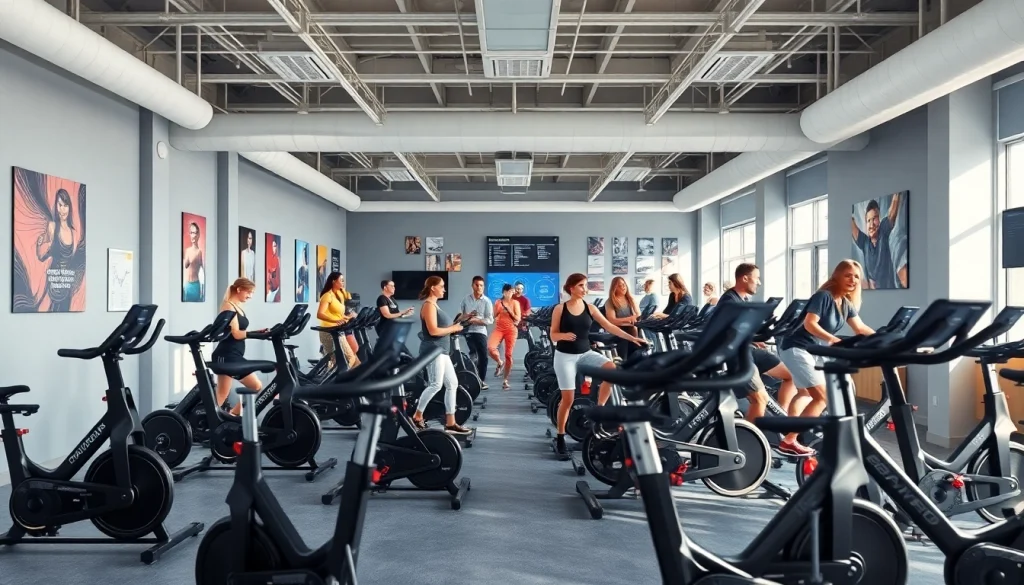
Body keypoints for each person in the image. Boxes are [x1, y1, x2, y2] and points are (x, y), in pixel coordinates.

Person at [777, 259, 875, 455]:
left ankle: (791, 432)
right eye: (848, 275)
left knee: (805, 394)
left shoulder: (845, 303)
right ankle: (789, 440)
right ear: (836, 276)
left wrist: (885, 340)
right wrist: (832, 339)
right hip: (797, 348)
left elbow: (860, 328)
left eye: (857, 276)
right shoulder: (823, 296)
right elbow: (810, 324)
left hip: (812, 350)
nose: (853, 280)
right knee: (822, 397)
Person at [550, 273, 647, 456]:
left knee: (611, 368)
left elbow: (610, 326)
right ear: (571, 288)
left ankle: (599, 409)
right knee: (568, 399)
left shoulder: (590, 307)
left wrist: (633, 338)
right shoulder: (560, 309)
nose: (585, 289)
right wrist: (563, 336)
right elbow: (553, 335)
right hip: (565, 356)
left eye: (586, 285)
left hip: (585, 353)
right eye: (581, 285)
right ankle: (561, 436)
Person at [716, 263, 799, 428]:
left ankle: (780, 416)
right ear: (745, 278)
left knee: (791, 376)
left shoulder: (743, 299)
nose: (759, 283)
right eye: (757, 278)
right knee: (760, 399)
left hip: (748, 350)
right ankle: (748, 440)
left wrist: (753, 338)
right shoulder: (729, 301)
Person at [414, 276, 472, 435]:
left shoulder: (435, 306)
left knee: (452, 384)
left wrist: (459, 323)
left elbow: (444, 327)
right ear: (433, 287)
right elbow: (433, 331)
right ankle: (417, 416)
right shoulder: (428, 306)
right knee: (435, 384)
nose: (444, 289)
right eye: (441, 286)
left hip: (442, 351)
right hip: (433, 350)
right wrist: (454, 329)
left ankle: (451, 423)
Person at [211, 278, 266, 416]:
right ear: (239, 289)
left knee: (253, 387)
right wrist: (254, 334)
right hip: (226, 355)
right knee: (224, 394)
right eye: (249, 292)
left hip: (235, 355)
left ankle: (230, 416)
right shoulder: (228, 306)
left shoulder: (237, 306)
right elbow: (235, 334)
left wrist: (257, 332)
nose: (250, 296)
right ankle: (213, 421)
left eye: (252, 293)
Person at [852, 193, 903, 289]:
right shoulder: (864, 242)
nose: (871, 224)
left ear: (879, 220)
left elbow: (892, 213)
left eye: (874, 218)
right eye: (868, 220)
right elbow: (852, 226)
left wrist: (897, 195)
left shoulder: (883, 231)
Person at [315, 272, 360, 370]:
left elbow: (338, 314)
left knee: (351, 357)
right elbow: (320, 314)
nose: (343, 282)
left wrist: (347, 317)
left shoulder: (338, 295)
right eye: (341, 280)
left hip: (338, 329)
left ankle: (347, 380)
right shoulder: (327, 296)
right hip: (328, 331)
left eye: (343, 280)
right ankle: (334, 382)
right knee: (334, 359)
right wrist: (336, 320)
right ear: (333, 281)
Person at [460, 276, 494, 389]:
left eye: (481, 285)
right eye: (476, 285)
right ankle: (471, 380)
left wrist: (476, 321)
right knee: (472, 356)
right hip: (468, 331)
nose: (479, 287)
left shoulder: (487, 301)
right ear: (472, 285)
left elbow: (490, 320)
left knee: (483, 357)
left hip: (480, 332)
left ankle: (481, 381)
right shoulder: (466, 300)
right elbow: (461, 316)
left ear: (483, 286)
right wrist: (466, 318)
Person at [488, 284, 521, 389]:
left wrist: (509, 310)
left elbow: (517, 318)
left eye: (512, 292)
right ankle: (499, 362)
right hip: (499, 329)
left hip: (511, 330)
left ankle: (505, 380)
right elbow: (493, 315)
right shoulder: (498, 302)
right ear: (504, 292)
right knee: (490, 348)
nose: (511, 294)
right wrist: (499, 308)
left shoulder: (515, 303)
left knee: (508, 355)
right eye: (509, 292)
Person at [605, 276, 642, 360]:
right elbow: (612, 321)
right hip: (618, 330)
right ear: (614, 288)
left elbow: (638, 314)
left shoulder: (630, 299)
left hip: (631, 327)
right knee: (631, 330)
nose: (623, 287)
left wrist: (632, 319)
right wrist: (629, 319)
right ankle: (625, 362)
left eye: (624, 284)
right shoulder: (610, 301)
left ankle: (634, 359)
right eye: (619, 285)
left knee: (634, 328)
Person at [183, 221, 205, 302]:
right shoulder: (187, 251)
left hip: (195, 285)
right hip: (187, 285)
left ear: (198, 235)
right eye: (191, 233)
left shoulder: (200, 252)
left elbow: (204, 271)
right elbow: (185, 266)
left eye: (195, 233)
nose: (193, 235)